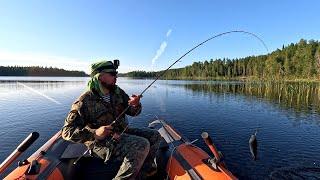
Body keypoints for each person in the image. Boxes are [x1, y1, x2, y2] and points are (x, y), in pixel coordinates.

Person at [62, 60, 161, 179]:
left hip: (122, 132)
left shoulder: (117, 92)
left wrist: (135, 105)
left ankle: (142, 173)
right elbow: (66, 132)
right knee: (142, 144)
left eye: (116, 73)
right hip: (100, 143)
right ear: (100, 76)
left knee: (155, 135)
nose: (116, 76)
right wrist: (95, 133)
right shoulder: (84, 101)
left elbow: (133, 113)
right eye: (113, 74)